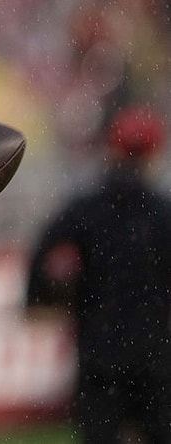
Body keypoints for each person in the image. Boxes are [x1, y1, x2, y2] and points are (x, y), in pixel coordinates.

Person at [25, 104, 171, 443]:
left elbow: (44, 252)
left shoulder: (87, 209)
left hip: (100, 348)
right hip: (154, 351)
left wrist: (40, 298)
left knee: (99, 434)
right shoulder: (162, 214)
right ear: (153, 153)